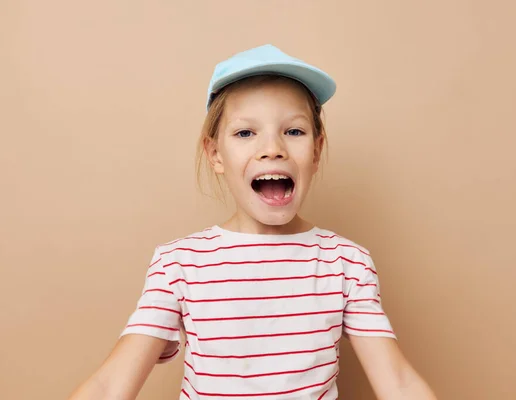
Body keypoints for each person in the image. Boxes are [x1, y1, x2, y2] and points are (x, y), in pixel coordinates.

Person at [68, 44, 437, 400]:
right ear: (215, 154)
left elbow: (399, 383)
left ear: (316, 151)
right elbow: (110, 386)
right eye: (246, 132)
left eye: (293, 131)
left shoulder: (346, 263)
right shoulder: (179, 264)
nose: (272, 147)